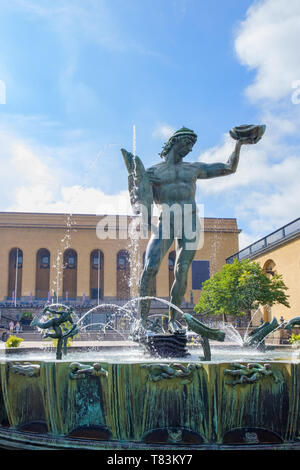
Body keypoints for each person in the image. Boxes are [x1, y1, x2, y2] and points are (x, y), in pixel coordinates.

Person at [122, 126, 263, 333]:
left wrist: (239, 144)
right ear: (174, 142)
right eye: (187, 144)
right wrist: (136, 187)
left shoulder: (193, 169)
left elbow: (228, 167)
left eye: (192, 146)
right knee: (150, 266)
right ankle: (142, 320)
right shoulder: (152, 172)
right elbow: (139, 201)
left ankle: (172, 320)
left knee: (181, 270)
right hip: (166, 222)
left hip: (190, 222)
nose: (189, 149)